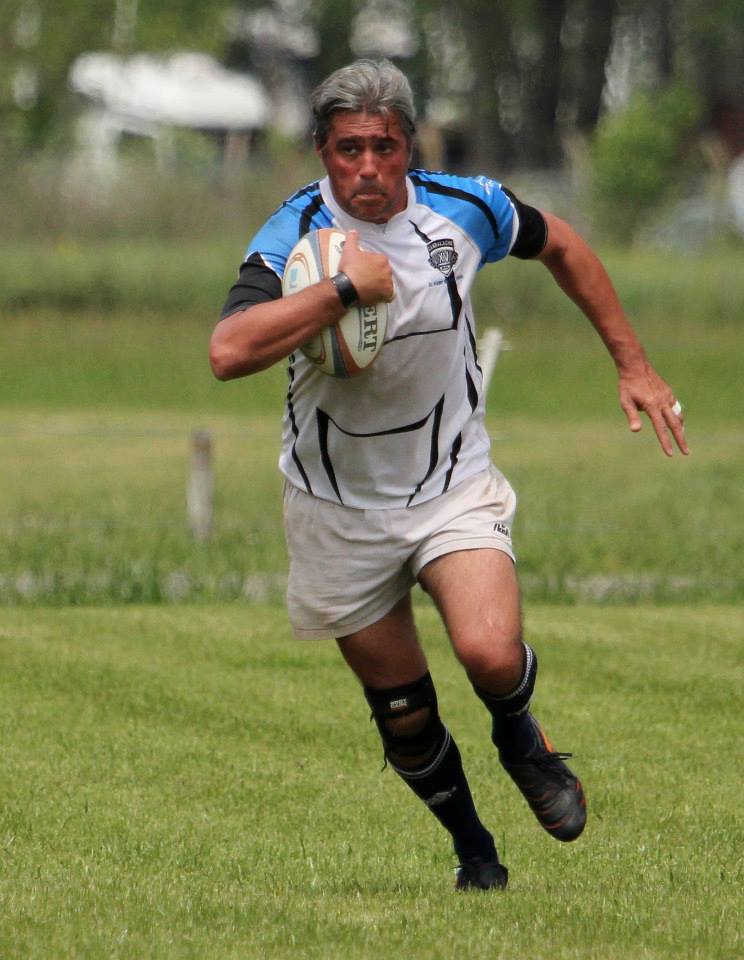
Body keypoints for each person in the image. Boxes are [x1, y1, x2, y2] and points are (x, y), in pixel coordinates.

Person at [210, 58, 688, 891]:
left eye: (385, 147)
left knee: (491, 652)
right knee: (406, 716)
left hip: (450, 487)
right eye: (348, 148)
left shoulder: (464, 208)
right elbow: (228, 351)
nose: (367, 168)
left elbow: (563, 244)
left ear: (409, 146)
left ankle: (519, 737)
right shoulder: (290, 236)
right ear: (321, 150)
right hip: (336, 506)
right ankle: (476, 853)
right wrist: (339, 293)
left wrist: (633, 364)